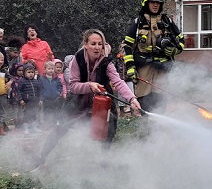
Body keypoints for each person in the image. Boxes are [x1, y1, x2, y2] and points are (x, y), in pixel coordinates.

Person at [33, 29, 142, 170]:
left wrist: (132, 99)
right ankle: (41, 158)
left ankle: (102, 161)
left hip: (103, 101)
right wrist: (89, 86)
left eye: (100, 44)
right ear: (85, 45)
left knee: (110, 126)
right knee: (61, 127)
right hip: (78, 100)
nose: (97, 47)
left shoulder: (107, 63)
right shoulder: (76, 60)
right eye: (93, 44)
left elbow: (119, 82)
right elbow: (73, 85)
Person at [122, 0, 185, 112]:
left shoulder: (167, 22)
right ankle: (146, 128)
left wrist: (174, 50)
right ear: (146, 3)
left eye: (158, 2)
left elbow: (182, 42)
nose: (155, 5)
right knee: (143, 100)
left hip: (162, 69)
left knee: (160, 100)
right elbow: (127, 46)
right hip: (143, 68)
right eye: (152, 2)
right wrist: (130, 67)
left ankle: (157, 128)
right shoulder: (138, 23)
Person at [17, 63, 43, 134]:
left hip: (35, 101)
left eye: (32, 72)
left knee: (34, 114)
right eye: (29, 72)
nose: (31, 74)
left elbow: (39, 90)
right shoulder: (22, 81)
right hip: (26, 101)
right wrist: (21, 99)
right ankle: (26, 128)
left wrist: (40, 99)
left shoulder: (36, 81)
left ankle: (34, 127)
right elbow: (19, 91)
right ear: (24, 73)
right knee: (27, 114)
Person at [39, 61, 63, 129]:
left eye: (52, 69)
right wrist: (41, 97)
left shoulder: (56, 78)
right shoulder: (41, 79)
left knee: (55, 111)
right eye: (49, 69)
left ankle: (55, 123)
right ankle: (47, 124)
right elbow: (40, 89)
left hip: (55, 98)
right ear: (45, 69)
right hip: (46, 99)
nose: (51, 70)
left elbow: (60, 86)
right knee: (47, 112)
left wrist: (58, 92)